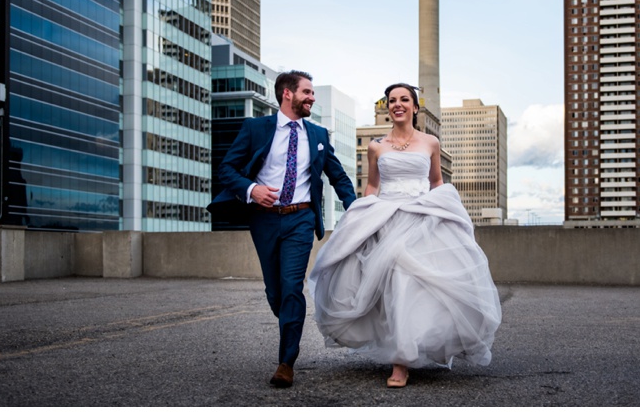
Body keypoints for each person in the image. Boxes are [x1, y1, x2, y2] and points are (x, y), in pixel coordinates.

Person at [308, 83, 502, 388]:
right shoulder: (377, 146)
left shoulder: (430, 143)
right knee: (393, 284)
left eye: (404, 99)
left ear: (414, 106)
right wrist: (361, 216)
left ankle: (409, 354)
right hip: (387, 216)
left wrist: (450, 217)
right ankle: (400, 361)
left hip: (423, 215)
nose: (397, 104)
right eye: (392, 100)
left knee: (419, 285)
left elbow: (436, 182)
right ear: (388, 108)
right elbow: (372, 187)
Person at [208, 70, 356, 388]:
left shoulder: (317, 135)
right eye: (307, 92)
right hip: (263, 218)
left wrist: (355, 208)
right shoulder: (255, 128)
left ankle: (286, 362)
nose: (312, 98)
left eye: (313, 92)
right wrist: (251, 190)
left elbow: (338, 176)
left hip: (300, 218)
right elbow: (226, 169)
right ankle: (290, 321)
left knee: (291, 287)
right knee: (276, 293)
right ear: (287, 94)